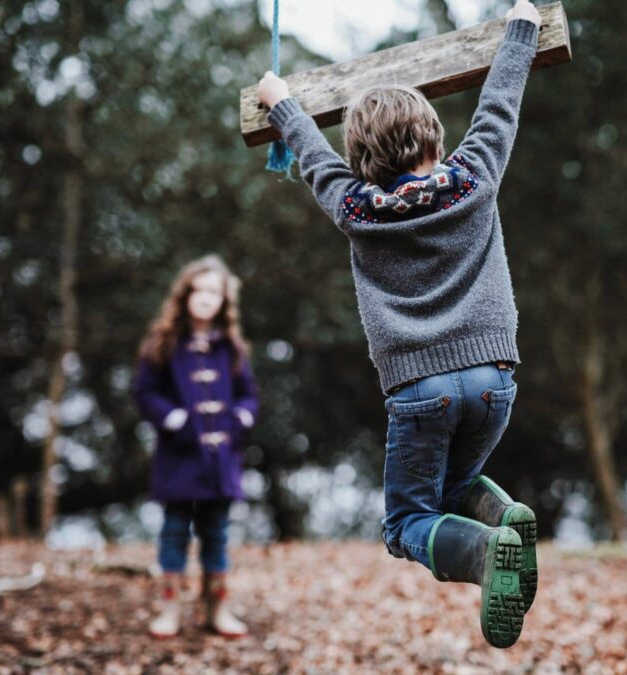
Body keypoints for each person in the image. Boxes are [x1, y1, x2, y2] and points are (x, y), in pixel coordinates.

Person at [256, 0, 542, 648]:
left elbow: (311, 155)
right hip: (495, 380)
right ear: (437, 139)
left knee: (407, 521)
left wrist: (282, 102)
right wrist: (521, 26)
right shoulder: (475, 176)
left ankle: (487, 552)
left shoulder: (356, 207)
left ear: (363, 159)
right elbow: (501, 101)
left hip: (420, 389)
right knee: (457, 485)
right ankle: (506, 518)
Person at [132, 255, 259, 639]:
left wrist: (240, 419)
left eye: (214, 292)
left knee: (217, 534)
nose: (206, 298)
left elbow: (248, 395)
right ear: (184, 295)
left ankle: (216, 610)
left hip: (221, 461)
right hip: (179, 459)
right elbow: (143, 391)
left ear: (224, 300)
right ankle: (169, 610)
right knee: (174, 532)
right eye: (199, 290)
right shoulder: (164, 342)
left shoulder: (232, 347)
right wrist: (174, 420)